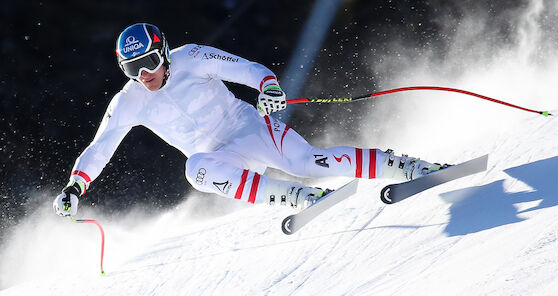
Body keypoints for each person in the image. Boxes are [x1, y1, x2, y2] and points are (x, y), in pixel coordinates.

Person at [53, 23, 443, 217]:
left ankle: (406, 166)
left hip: (248, 129)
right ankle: (295, 197)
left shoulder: (192, 58)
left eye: (150, 63)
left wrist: (268, 87)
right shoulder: (130, 101)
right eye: (133, 70)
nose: (145, 76)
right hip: (220, 159)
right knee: (195, 169)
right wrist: (75, 186)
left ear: (165, 52)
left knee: (307, 162)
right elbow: (100, 146)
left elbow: (248, 70)